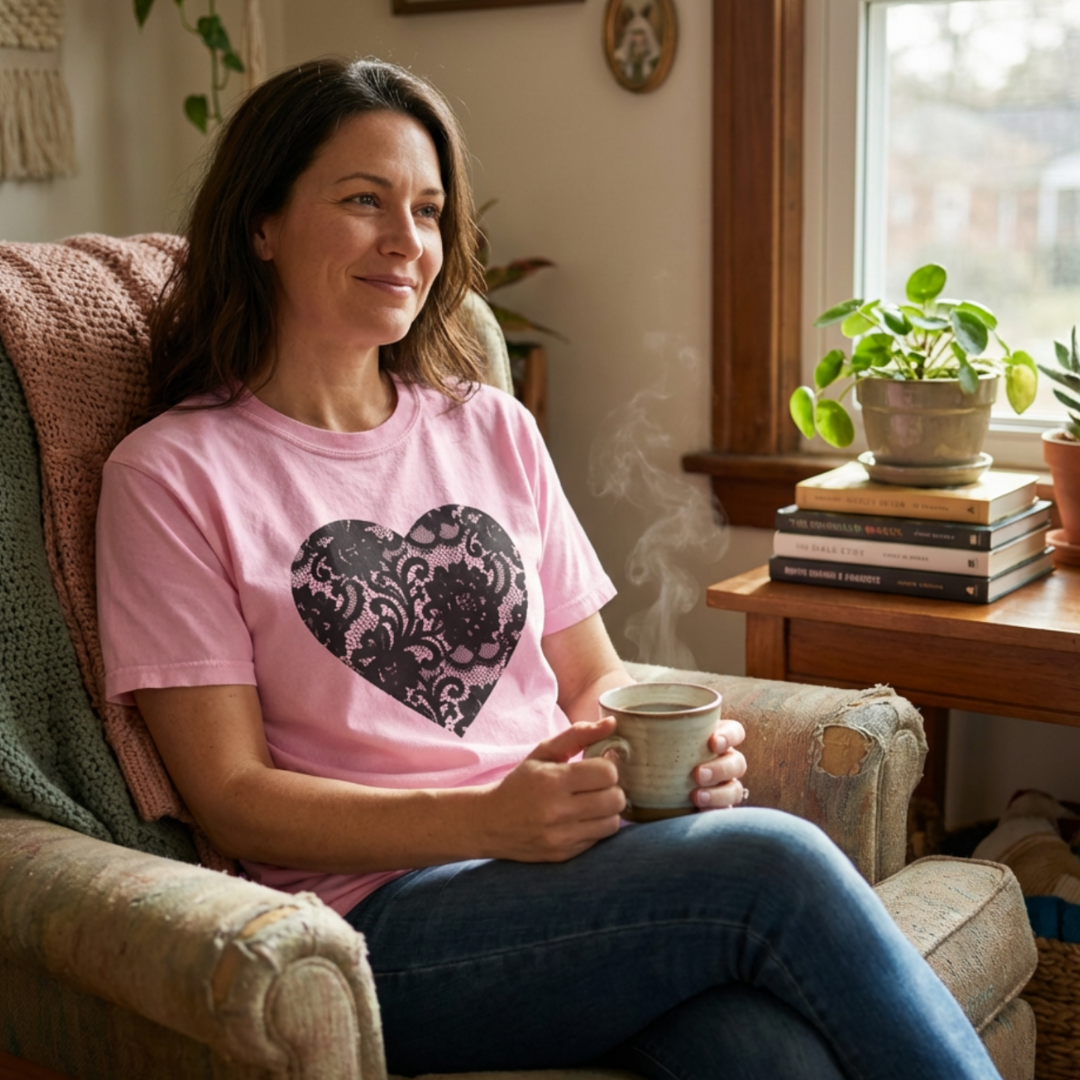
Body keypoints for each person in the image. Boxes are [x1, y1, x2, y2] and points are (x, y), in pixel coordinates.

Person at [96, 57, 1002, 1080]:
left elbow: (590, 675)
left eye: (429, 211)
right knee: (774, 859)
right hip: (372, 922)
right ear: (261, 223)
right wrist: (485, 819)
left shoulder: (491, 426)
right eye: (363, 201)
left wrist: (665, 757)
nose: (408, 242)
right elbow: (229, 795)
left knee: (770, 1056)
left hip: (570, 870)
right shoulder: (171, 475)